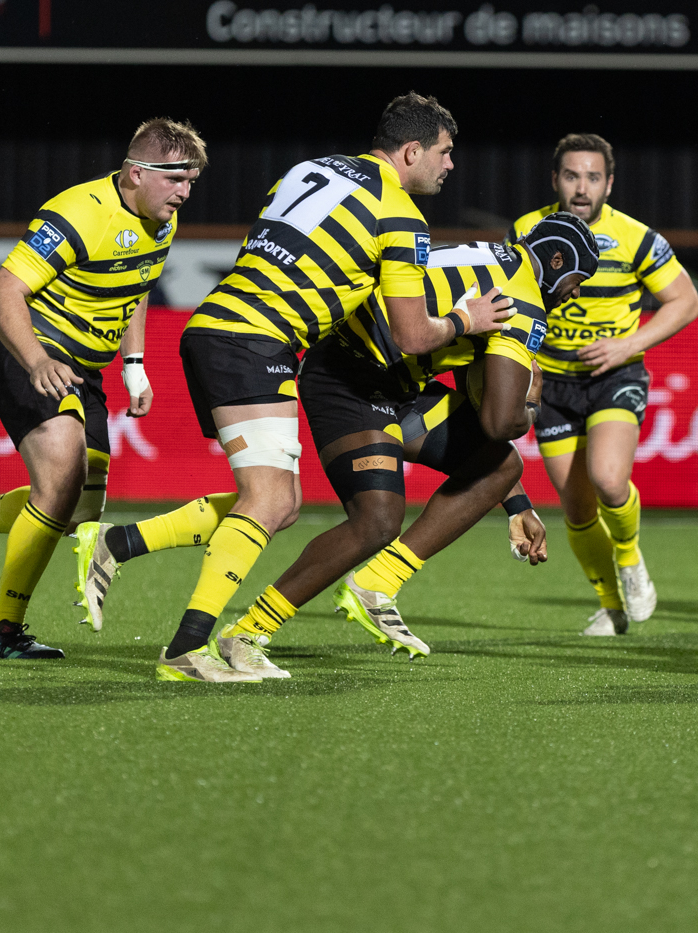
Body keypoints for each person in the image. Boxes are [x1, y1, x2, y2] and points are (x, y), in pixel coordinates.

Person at [143, 92, 510, 681]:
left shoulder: (308, 169)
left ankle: (130, 551)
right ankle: (188, 648)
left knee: (278, 501)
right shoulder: (400, 216)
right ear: (411, 150)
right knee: (269, 501)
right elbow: (415, 336)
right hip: (257, 343)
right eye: (443, 153)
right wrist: (468, 320)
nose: (449, 165)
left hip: (213, 325)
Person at [214, 218, 597, 669]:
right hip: (353, 379)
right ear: (557, 261)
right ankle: (246, 632)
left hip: (388, 380)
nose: (575, 293)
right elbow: (498, 422)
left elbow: (471, 393)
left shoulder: (484, 253)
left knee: (501, 467)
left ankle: (377, 581)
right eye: (578, 280)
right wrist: (531, 402)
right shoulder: (525, 304)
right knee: (376, 520)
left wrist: (517, 507)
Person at [0, 118, 206, 659]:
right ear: (137, 173)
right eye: (176, 179)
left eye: (191, 182)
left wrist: (134, 364)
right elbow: (3, 292)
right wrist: (36, 359)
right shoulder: (78, 212)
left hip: (82, 369)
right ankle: (2, 633)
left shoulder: (161, 218)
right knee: (63, 471)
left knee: (74, 514)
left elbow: (134, 283)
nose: (185, 193)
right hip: (29, 350)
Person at [508, 133, 698, 635]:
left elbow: (686, 302)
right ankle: (612, 606)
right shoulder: (528, 230)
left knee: (610, 479)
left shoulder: (636, 237)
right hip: (552, 382)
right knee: (576, 506)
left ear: (609, 184)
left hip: (614, 374)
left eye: (593, 177)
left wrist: (626, 344)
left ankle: (631, 560)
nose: (581, 187)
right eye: (572, 175)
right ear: (555, 180)